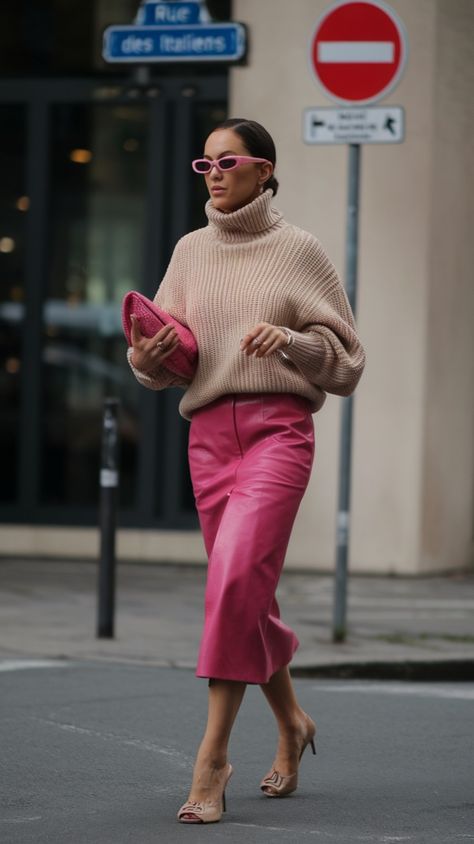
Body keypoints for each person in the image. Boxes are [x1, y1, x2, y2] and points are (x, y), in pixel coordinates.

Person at [127, 118, 365, 824]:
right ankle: (292, 722)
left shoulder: (300, 251)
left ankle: (212, 757)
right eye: (204, 164)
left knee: (233, 582)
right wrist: (147, 356)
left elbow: (347, 362)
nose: (214, 172)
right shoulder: (190, 251)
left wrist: (291, 340)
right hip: (208, 440)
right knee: (246, 593)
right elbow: (164, 364)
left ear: (264, 170)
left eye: (227, 161)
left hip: (277, 436)